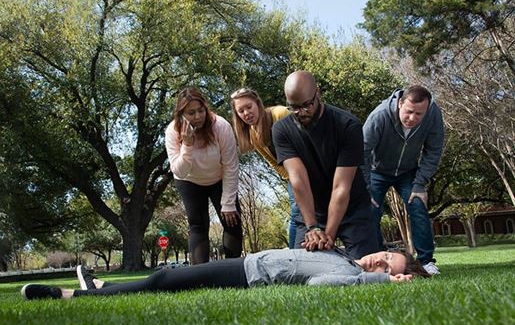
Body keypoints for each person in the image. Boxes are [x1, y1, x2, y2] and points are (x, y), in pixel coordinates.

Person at [20, 248, 431, 300]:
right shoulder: (343, 252)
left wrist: (376, 281)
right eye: (386, 258)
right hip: (249, 264)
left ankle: (70, 295)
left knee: (164, 281)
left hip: (248, 273)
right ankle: (104, 285)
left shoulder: (350, 274)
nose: (378, 263)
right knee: (166, 277)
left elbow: (317, 284)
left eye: (385, 268)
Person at [271, 70, 378, 258]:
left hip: (352, 208)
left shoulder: (347, 125)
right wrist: (312, 227)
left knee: (367, 266)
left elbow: (341, 188)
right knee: (302, 269)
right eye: (294, 107)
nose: (301, 113)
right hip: (311, 212)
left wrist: (328, 235)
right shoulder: (281, 130)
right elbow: (298, 180)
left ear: (318, 93)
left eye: (307, 105)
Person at [361, 85, 444, 275]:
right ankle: (375, 259)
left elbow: (434, 150)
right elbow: (362, 152)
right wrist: (365, 188)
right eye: (409, 112)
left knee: (417, 204)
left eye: (419, 114)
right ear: (400, 104)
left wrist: (420, 183)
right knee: (371, 209)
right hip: (377, 170)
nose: (413, 118)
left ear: (428, 109)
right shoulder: (380, 115)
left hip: (408, 171)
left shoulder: (433, 115)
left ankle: (426, 261)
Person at [165, 87, 243, 264]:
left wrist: (228, 203)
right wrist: (187, 144)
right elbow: (179, 170)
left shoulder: (220, 126)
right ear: (181, 114)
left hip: (219, 178)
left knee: (232, 221)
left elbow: (231, 165)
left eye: (201, 110)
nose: (198, 116)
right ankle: (201, 276)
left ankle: (232, 271)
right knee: (198, 225)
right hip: (189, 180)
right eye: (191, 113)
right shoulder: (172, 131)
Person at [230, 88, 299, 248]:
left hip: (311, 169)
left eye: (249, 107)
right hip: (293, 178)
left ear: (258, 104)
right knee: (297, 213)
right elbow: (272, 161)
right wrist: (291, 178)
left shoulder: (280, 114)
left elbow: (305, 141)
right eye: (241, 111)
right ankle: (293, 255)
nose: (246, 113)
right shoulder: (253, 135)